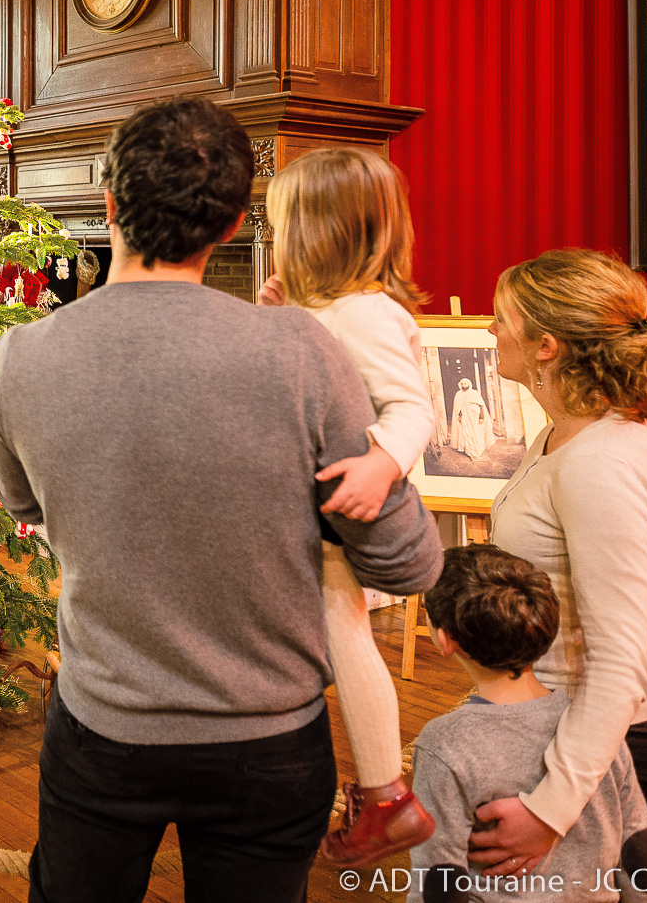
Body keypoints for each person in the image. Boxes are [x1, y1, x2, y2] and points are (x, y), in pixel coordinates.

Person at [0, 97, 444, 903]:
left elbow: (26, 506)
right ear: (233, 225)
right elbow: (406, 562)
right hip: (266, 742)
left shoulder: (19, 355)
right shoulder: (305, 348)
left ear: (109, 204)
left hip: (104, 726)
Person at [468, 250, 647, 878]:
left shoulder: (600, 463)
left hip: (602, 741)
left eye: (501, 319)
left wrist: (551, 809)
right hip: (550, 719)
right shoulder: (565, 435)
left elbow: (617, 660)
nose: (489, 331)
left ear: (546, 346)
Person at [259, 146, 438, 865]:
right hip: (305, 503)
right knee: (334, 634)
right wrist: (281, 316)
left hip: (331, 507)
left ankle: (385, 791)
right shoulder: (329, 309)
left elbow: (413, 408)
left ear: (314, 231)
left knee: (345, 632)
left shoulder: (365, 314)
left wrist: (381, 462)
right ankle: (374, 787)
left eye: (280, 222)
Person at [410, 544, 647, 903]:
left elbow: (438, 881)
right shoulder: (593, 727)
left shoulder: (443, 745)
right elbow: (638, 847)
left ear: (445, 640)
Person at [450, 377, 493, 460]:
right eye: (462, 384)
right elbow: (458, 407)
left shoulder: (474, 393)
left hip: (475, 416)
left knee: (477, 432)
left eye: (465, 384)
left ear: (469, 384)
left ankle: (478, 449)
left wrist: (481, 416)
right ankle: (469, 450)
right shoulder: (458, 394)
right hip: (465, 417)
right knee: (466, 432)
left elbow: (481, 405)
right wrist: (460, 415)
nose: (464, 386)